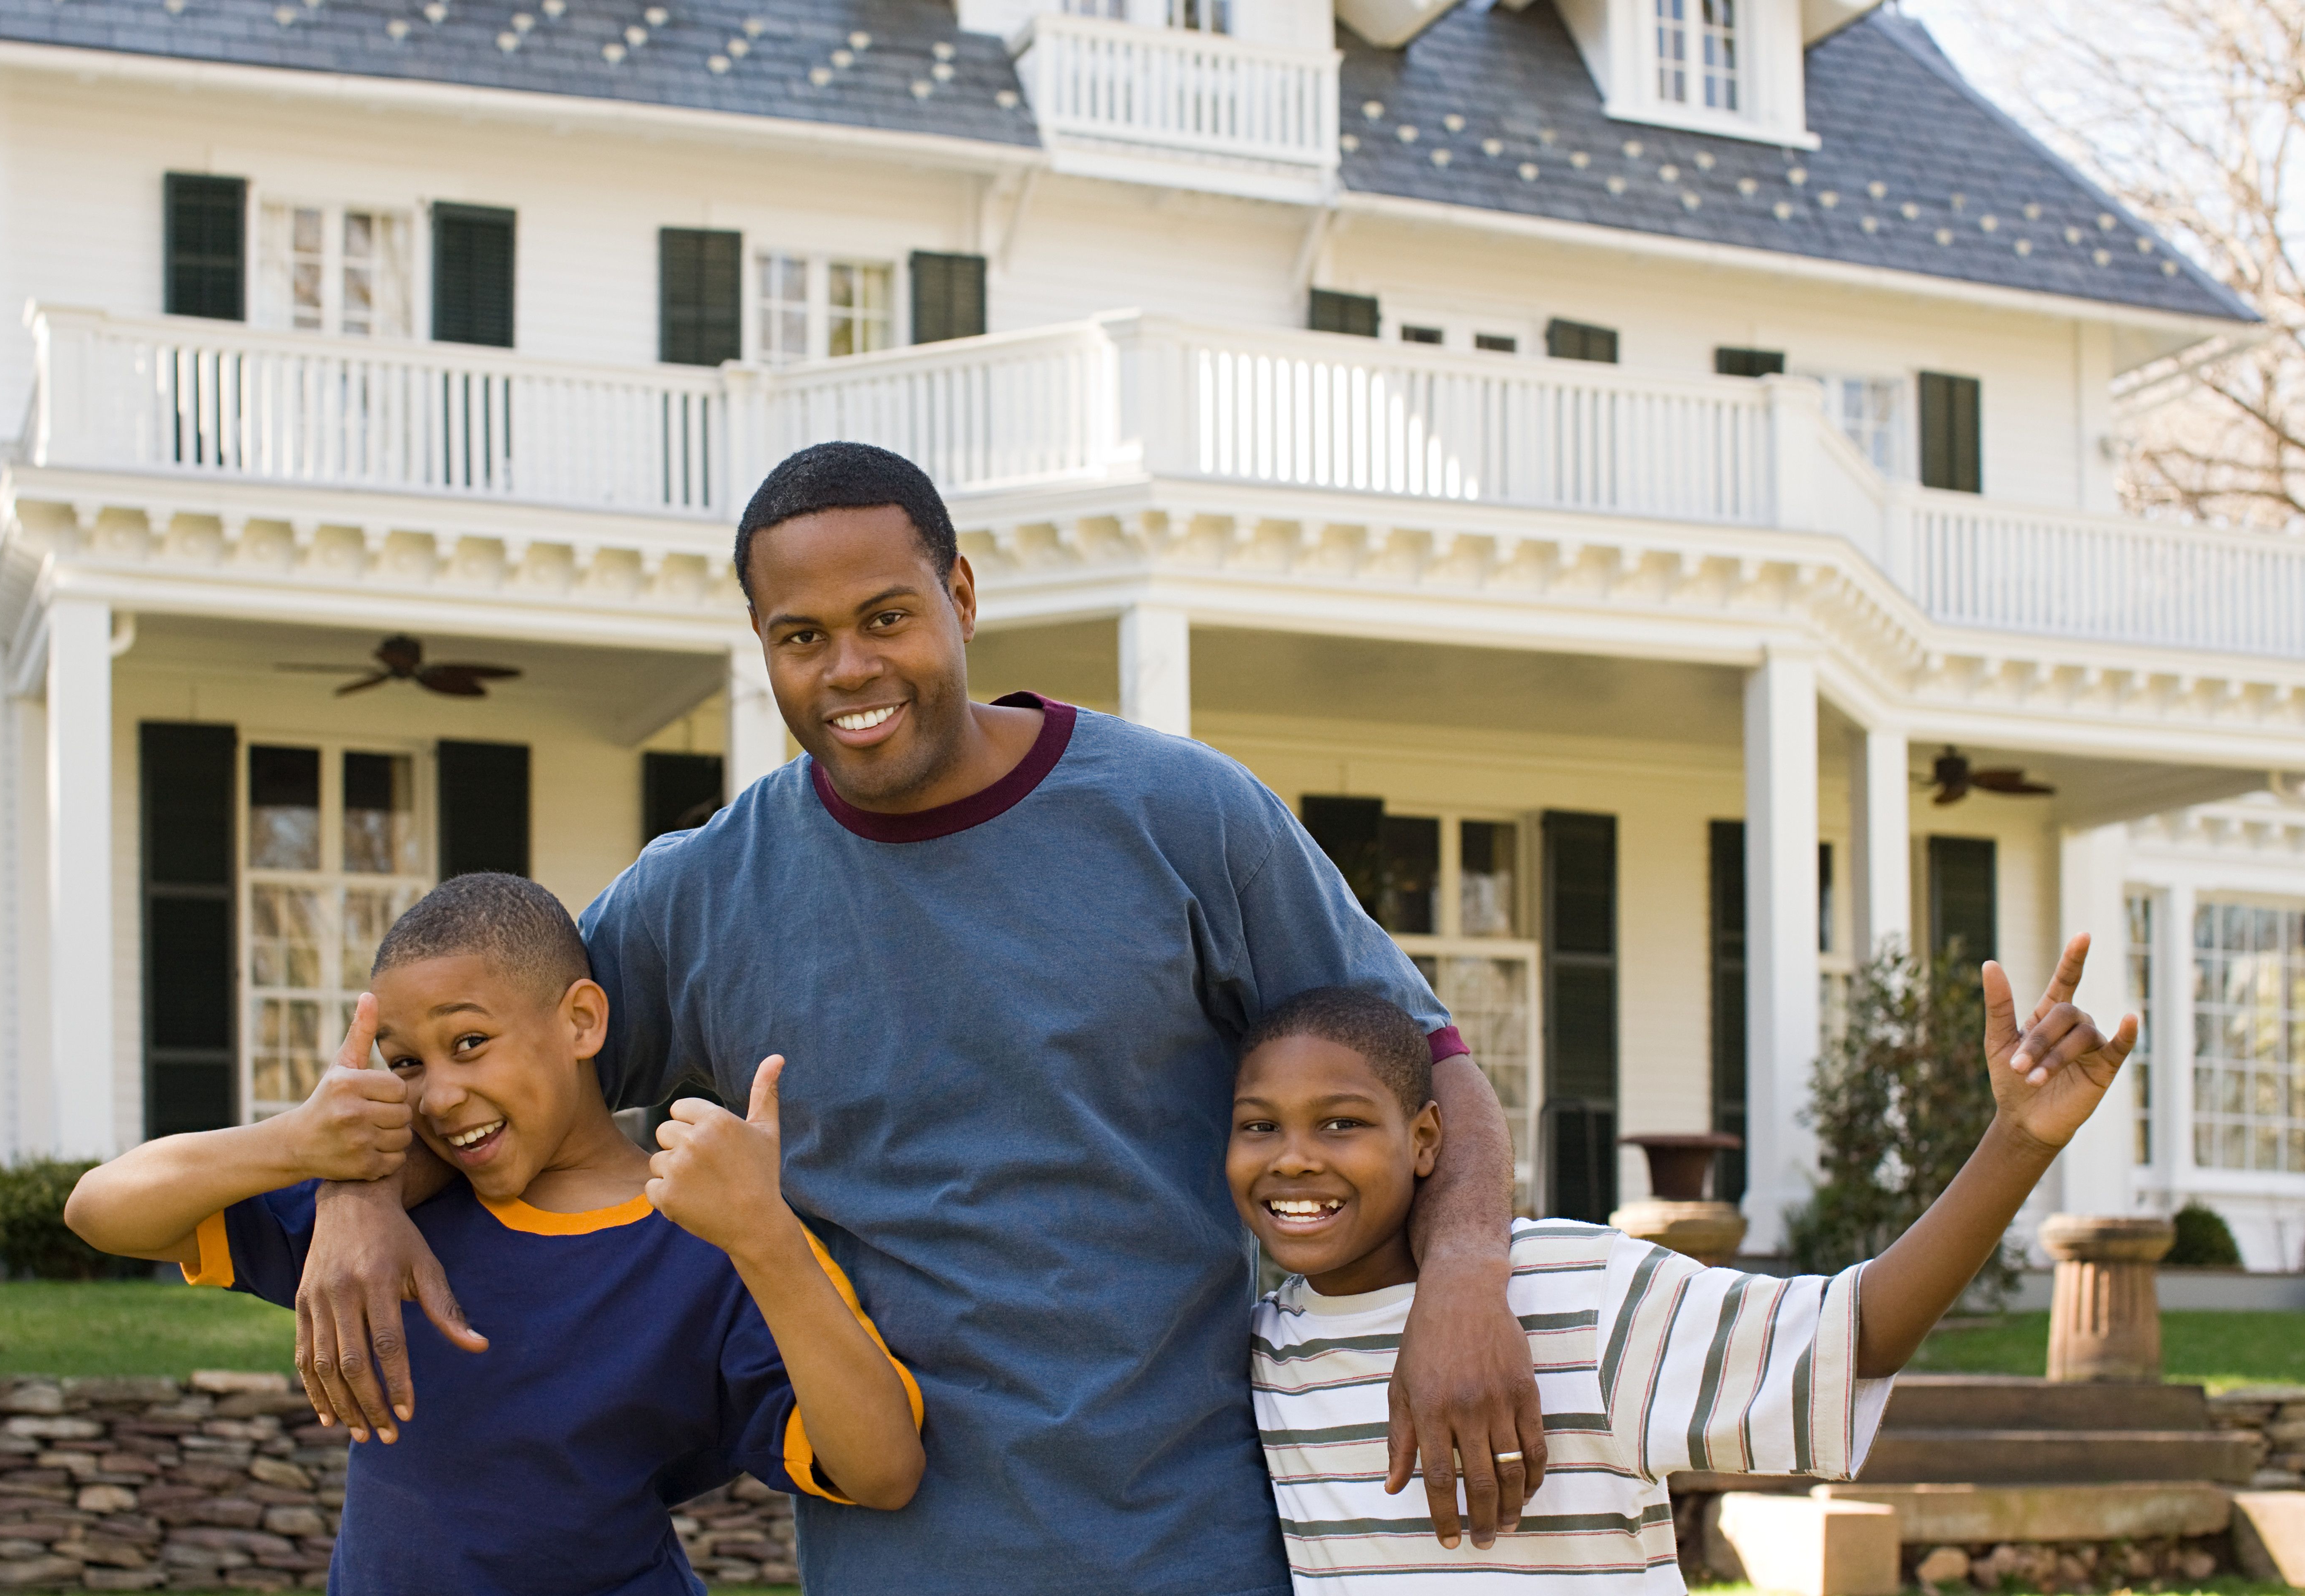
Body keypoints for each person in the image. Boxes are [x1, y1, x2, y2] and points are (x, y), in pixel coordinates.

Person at [290, 442, 1547, 1596]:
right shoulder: (702, 894)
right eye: (801, 635)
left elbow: (1428, 1062)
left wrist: (1465, 1275)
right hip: (895, 1556)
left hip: (1191, 1541)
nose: (848, 669)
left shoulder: (1182, 816)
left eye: (885, 617)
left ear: (960, 596)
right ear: (759, 642)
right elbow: (477, 1086)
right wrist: (351, 1200)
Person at [63, 873, 925, 1596]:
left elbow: (882, 1469)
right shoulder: (391, 1213)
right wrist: (298, 1143)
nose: (437, 1094)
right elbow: (102, 1208)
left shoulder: (709, 1234)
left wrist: (767, 1238)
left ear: (582, 1022)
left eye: (469, 1041)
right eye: (406, 1063)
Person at [1229, 942, 2135, 1593]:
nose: (1295, 1157)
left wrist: (2016, 1140)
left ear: (1427, 1139)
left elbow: (1857, 1336)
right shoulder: (1267, 1350)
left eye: (1341, 1121)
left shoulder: (1576, 1295)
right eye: (1259, 1124)